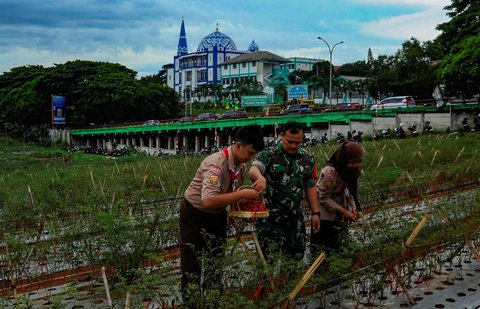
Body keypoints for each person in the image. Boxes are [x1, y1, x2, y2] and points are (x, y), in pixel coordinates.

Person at [179, 125, 264, 302]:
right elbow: (208, 200)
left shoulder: (239, 166)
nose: (251, 158)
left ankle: (212, 300)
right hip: (195, 213)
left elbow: (230, 194)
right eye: (250, 153)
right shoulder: (215, 165)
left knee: (215, 260)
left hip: (217, 215)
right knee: (192, 262)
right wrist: (242, 194)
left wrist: (245, 204)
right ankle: (191, 302)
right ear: (239, 145)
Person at [249, 121, 320, 261]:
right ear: (281, 136)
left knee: (295, 258)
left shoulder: (307, 159)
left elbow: (310, 186)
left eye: (298, 142)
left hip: (294, 218)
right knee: (266, 260)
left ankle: (289, 282)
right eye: (290, 142)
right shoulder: (269, 154)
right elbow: (253, 169)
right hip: (270, 219)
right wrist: (260, 178)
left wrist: (315, 212)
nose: (294, 146)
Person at [311, 141, 363, 255]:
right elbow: (322, 196)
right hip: (325, 215)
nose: (355, 165)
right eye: (352, 162)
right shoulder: (330, 172)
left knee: (340, 248)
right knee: (324, 249)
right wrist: (344, 211)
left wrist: (355, 209)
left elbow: (351, 192)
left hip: (339, 212)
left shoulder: (352, 171)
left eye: (357, 162)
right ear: (344, 159)